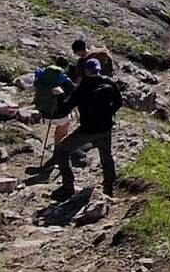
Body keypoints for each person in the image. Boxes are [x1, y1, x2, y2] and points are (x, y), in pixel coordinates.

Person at [25, 58, 122, 199]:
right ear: (99, 69)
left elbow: (64, 109)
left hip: (87, 130)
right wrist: (108, 115)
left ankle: (68, 187)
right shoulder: (110, 83)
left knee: (61, 150)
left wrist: (60, 94)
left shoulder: (82, 88)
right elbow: (118, 102)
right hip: (105, 128)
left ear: (87, 71)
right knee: (106, 155)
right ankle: (109, 186)